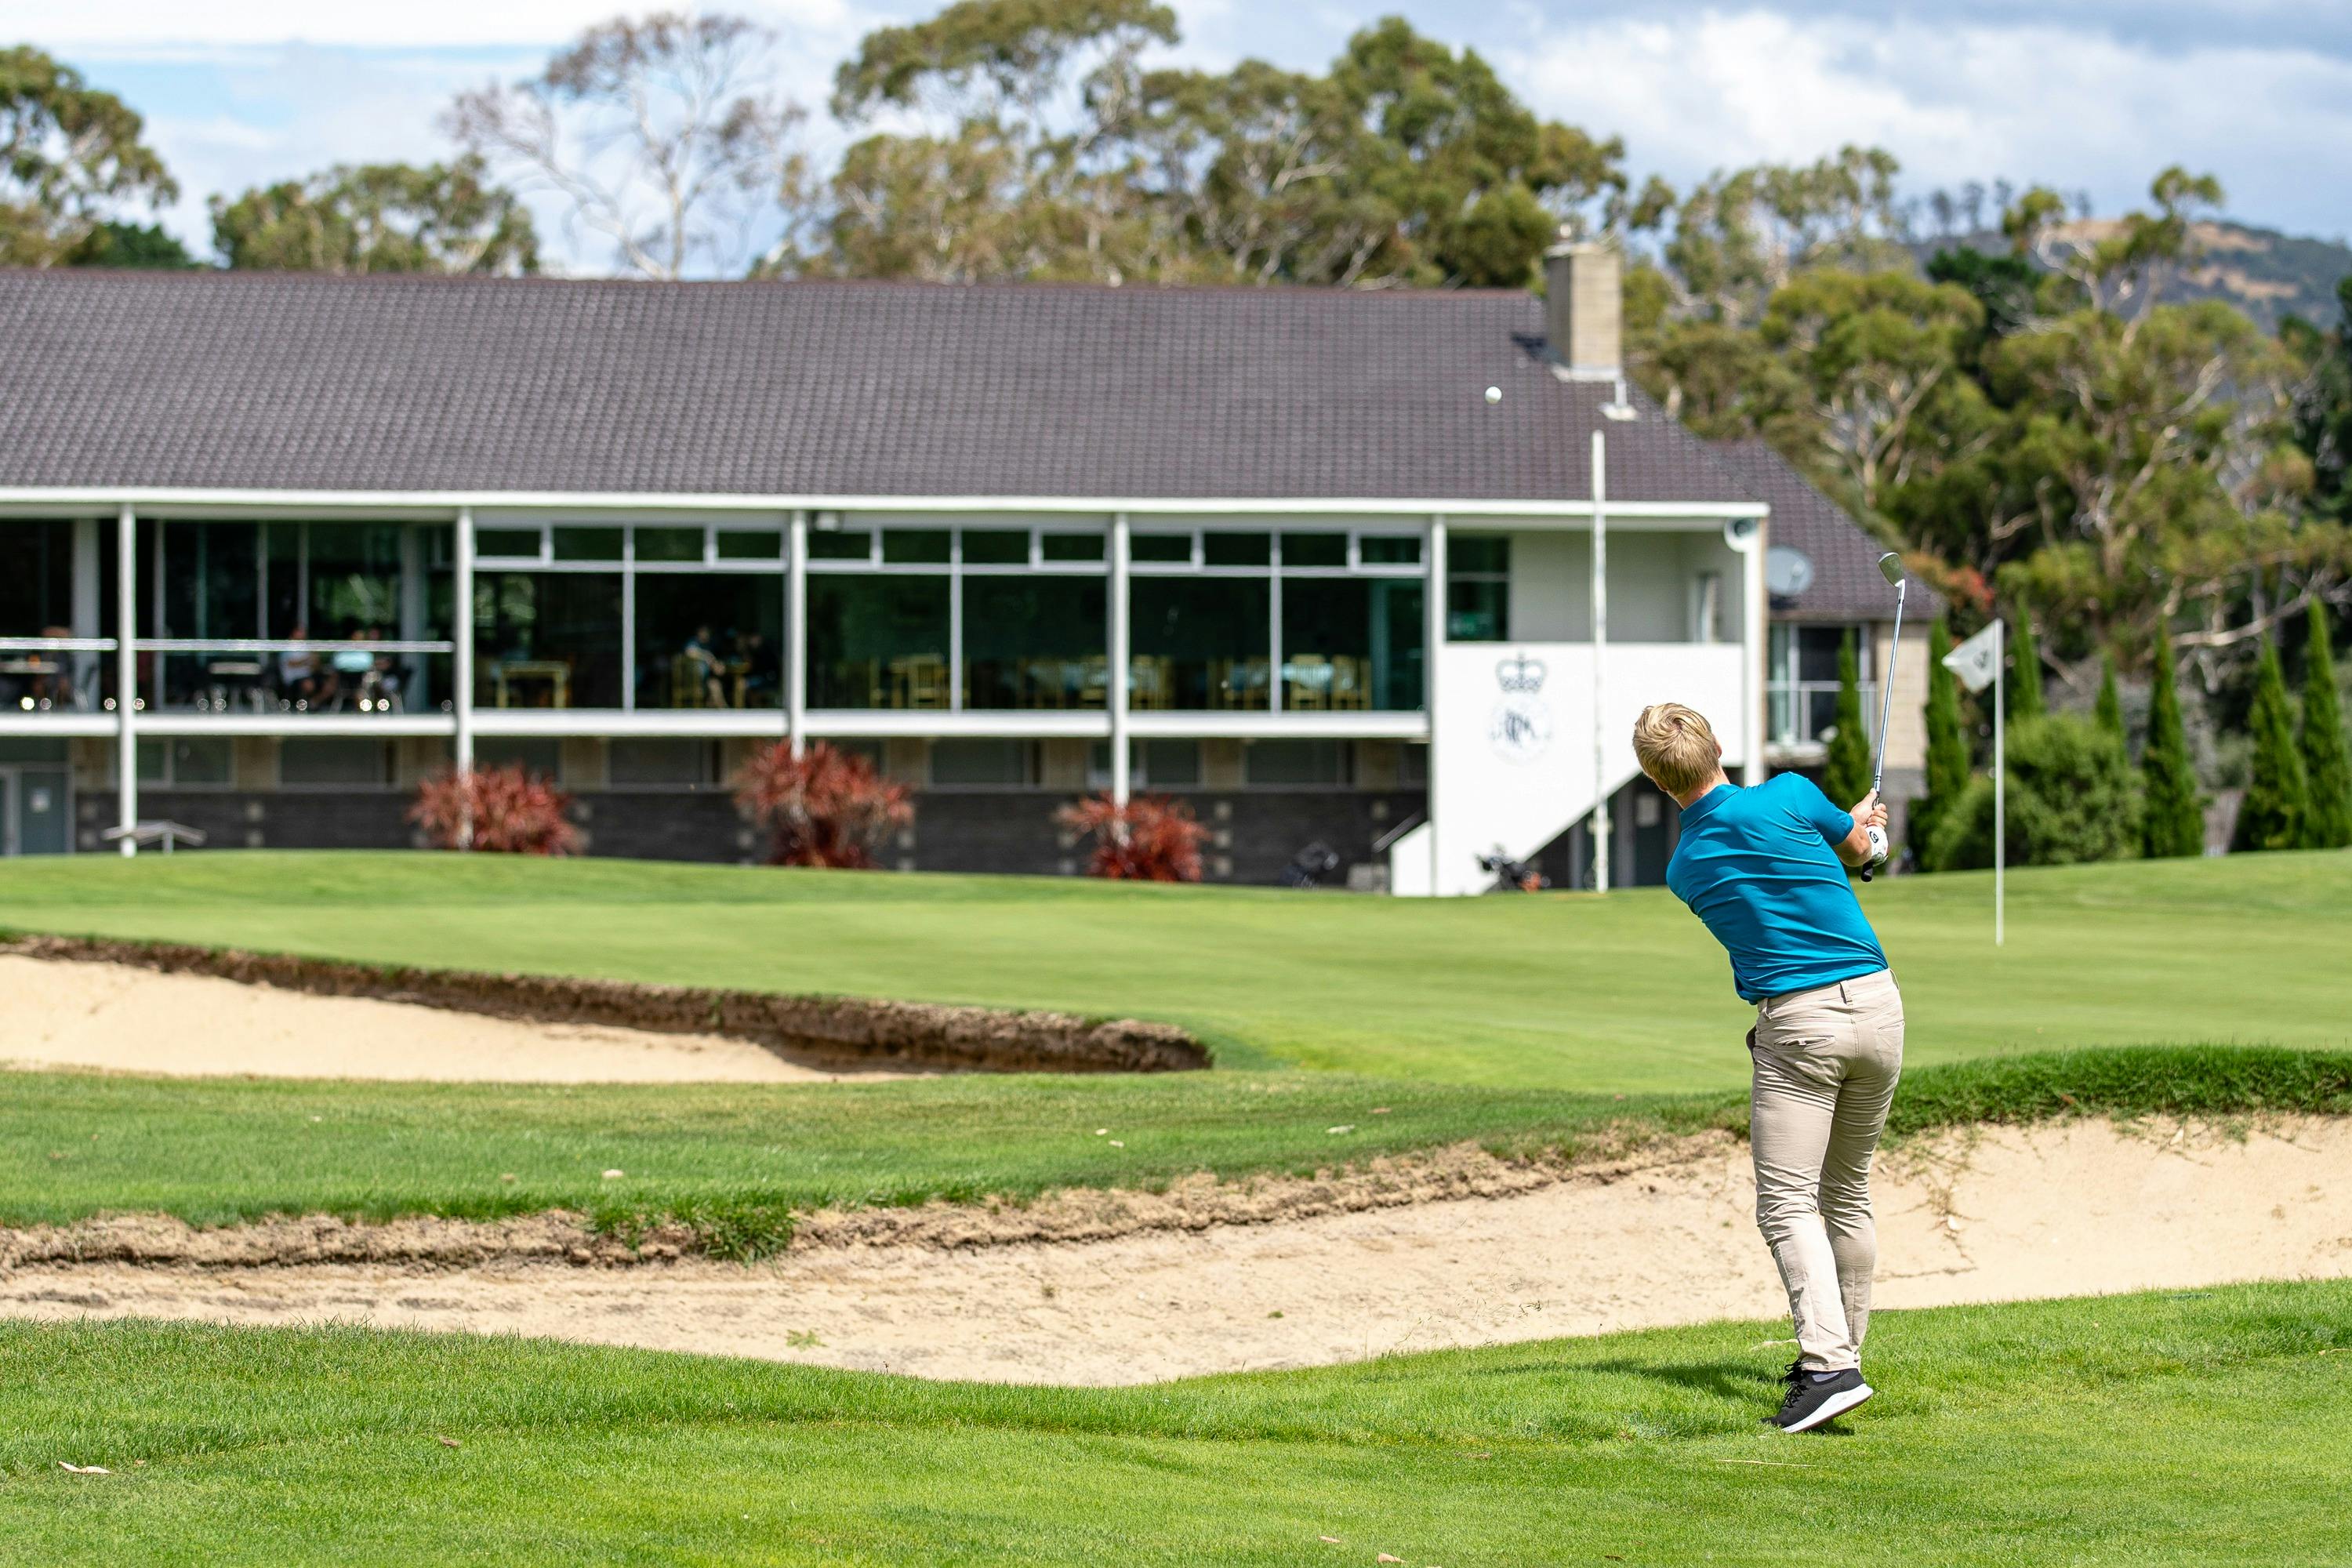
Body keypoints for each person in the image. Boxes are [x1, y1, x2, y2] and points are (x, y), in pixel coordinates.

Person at [1633, 702, 1901, 1435]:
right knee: (1846, 1192)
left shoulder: (1684, 868)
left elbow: (1765, 881)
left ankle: (1829, 1367)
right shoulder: (1789, 793)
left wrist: (1849, 838)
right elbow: (1863, 853)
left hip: (1799, 1023)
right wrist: (1867, 828)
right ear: (1718, 744)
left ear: (1657, 781)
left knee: (1786, 1204)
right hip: (1879, 1005)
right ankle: (1839, 1357)